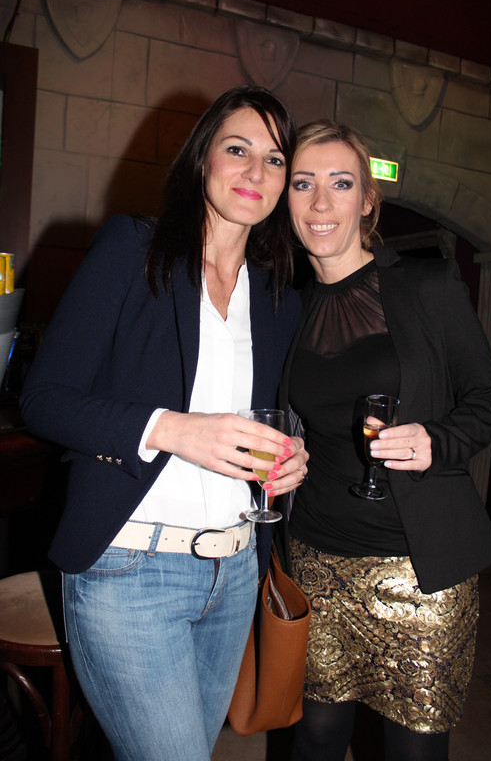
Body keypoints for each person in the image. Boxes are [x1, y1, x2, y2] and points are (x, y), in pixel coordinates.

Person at [20, 86, 309, 761]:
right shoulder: (135, 248)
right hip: (130, 568)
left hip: (234, 571)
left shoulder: (278, 298)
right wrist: (172, 429)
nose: (255, 171)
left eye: (274, 159)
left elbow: (271, 416)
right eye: (237, 149)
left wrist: (293, 456)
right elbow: (45, 398)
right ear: (203, 157)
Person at [278, 119, 491, 761]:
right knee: (315, 734)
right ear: (285, 199)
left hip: (419, 569)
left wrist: (438, 439)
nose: (320, 202)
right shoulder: (287, 308)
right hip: (317, 556)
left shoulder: (426, 287)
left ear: (367, 200)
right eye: (303, 183)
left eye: (340, 183)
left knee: (413, 750)